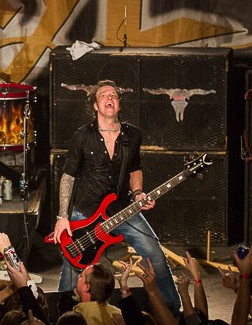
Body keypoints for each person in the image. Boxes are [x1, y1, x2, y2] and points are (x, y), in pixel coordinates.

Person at [52, 80, 180, 312]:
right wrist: (63, 216)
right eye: (103, 95)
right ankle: (62, 315)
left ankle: (174, 311)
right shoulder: (82, 135)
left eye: (114, 95)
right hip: (86, 210)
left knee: (155, 255)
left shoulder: (133, 135)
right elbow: (68, 177)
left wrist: (139, 193)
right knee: (73, 264)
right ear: (95, 104)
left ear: (119, 104)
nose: (109, 98)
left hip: (121, 209)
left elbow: (134, 169)